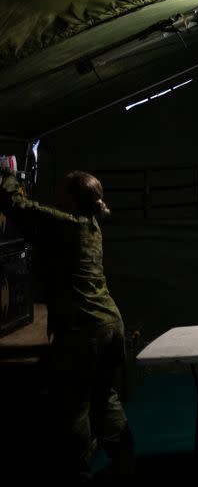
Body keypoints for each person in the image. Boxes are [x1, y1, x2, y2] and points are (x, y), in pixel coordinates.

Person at [0, 170, 134, 484]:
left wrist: (6, 174)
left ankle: (78, 473)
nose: (56, 193)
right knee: (104, 396)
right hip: (108, 323)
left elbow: (19, 206)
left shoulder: (65, 224)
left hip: (84, 329)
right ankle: (125, 462)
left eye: (62, 189)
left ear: (72, 197)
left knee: (74, 406)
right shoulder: (91, 225)